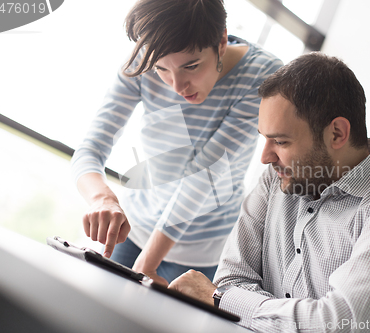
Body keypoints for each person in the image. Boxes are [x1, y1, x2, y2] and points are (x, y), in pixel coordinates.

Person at [168, 52, 370, 332]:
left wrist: (223, 300)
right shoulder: (274, 181)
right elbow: (231, 280)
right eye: (264, 139)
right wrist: (301, 318)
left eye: (280, 141)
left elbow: (344, 325)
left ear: (337, 133)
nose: (265, 157)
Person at [70, 0, 282, 286]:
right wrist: (102, 198)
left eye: (191, 66)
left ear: (221, 40)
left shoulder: (261, 74)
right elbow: (91, 147)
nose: (177, 85)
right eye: (162, 70)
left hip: (203, 251)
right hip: (135, 226)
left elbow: (204, 178)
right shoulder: (144, 58)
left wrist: (150, 260)